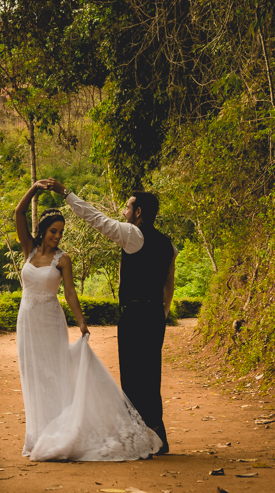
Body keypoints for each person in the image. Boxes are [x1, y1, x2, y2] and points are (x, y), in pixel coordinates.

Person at [13, 180, 162, 461]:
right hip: (27, 321)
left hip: (51, 321)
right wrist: (33, 188)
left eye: (61, 232)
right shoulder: (29, 250)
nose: (57, 236)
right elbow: (19, 214)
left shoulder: (63, 259)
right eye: (53, 231)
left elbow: (69, 292)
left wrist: (80, 322)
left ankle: (60, 431)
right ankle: (36, 434)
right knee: (32, 376)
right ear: (43, 231)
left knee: (55, 374)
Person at [46, 180, 176, 454]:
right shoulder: (168, 245)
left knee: (131, 378)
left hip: (134, 314)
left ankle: (141, 440)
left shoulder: (132, 235)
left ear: (138, 212)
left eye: (128, 207)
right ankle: (157, 437)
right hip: (154, 316)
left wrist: (67, 194)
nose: (124, 211)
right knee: (151, 377)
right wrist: (161, 314)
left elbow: (96, 218)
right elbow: (169, 284)